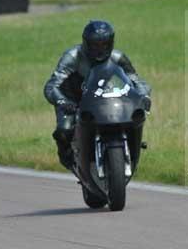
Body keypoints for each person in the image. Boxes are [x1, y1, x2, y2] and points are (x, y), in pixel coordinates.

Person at [44, 20, 151, 170]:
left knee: (134, 118)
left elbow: (137, 81)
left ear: (111, 43)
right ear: (86, 43)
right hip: (74, 99)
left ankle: (130, 149)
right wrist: (62, 101)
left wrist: (143, 96)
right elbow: (52, 85)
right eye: (95, 45)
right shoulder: (72, 56)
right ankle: (66, 154)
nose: (100, 50)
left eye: (104, 45)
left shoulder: (118, 57)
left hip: (105, 97)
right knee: (65, 129)